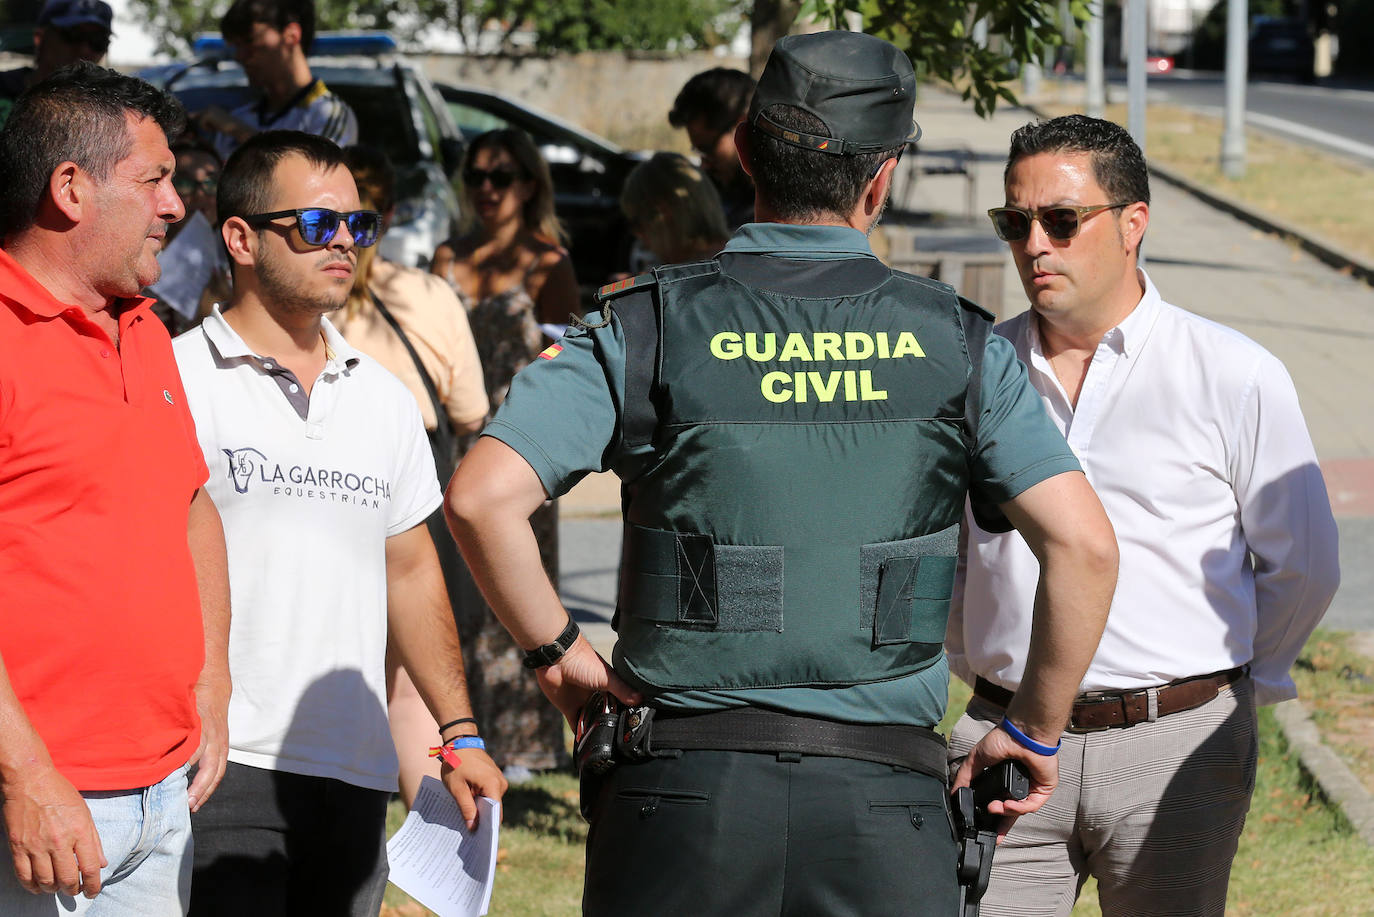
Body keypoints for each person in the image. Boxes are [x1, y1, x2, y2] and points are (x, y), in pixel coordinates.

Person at [447, 31, 1120, 915]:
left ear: (743, 154)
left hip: (679, 799)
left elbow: (481, 497)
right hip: (884, 810)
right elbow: (1086, 547)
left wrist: (560, 656)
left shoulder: (644, 326)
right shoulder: (957, 342)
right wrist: (1032, 726)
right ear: (880, 181)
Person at [946, 113, 1341, 916]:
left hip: (1175, 741)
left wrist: (1229, 685)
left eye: (1061, 220)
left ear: (1134, 224)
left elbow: (1303, 565)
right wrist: (986, 680)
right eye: (1014, 223)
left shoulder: (1231, 374)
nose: (1034, 245)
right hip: (1003, 737)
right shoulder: (974, 374)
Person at [172, 130, 505, 916]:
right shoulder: (176, 378)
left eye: (361, 224)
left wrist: (457, 734)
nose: (346, 242)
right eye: (320, 225)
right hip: (219, 764)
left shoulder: (382, 396)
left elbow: (411, 571)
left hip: (353, 777)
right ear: (241, 238)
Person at [0, 62, 230, 914]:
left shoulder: (144, 327)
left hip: (164, 793)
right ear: (70, 189)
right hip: (38, 813)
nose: (176, 204)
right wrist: (26, 772)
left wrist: (211, 681)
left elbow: (192, 506)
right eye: (156, 179)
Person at [334, 143, 490, 806]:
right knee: (411, 681)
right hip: (417, 486)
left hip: (325, 487)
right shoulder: (429, 294)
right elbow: (472, 408)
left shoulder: (304, 301)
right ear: (392, 214)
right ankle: (434, 840)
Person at [430, 127, 579, 776]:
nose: (487, 189)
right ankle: (455, 729)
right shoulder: (445, 255)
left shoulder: (550, 262)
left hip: (521, 440)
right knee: (449, 585)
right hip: (453, 432)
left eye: (502, 176)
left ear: (529, 185)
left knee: (518, 582)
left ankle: (523, 742)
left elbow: (567, 361)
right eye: (477, 178)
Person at [196, 0, 357, 162]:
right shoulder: (239, 117)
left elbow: (310, 179)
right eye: (236, 46)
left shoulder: (328, 113)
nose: (239, 56)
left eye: (249, 41)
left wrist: (239, 132)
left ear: (292, 35)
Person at [148, 139, 231, 333]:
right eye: (184, 183)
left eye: (211, 183)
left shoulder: (237, 249)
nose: (200, 195)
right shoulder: (140, 251)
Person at [668, 67, 756, 230]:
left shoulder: (787, 207)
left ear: (741, 127)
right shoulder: (722, 195)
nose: (704, 165)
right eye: (699, 152)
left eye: (708, 149)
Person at [0, 0, 113, 128]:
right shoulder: (3, 88)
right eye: (72, 35)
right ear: (40, 38)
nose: (84, 49)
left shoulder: (106, 111)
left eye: (98, 41)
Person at [619, 151, 729, 266]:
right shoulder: (734, 261)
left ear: (663, 212)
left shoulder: (693, 276)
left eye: (637, 224)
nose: (638, 236)